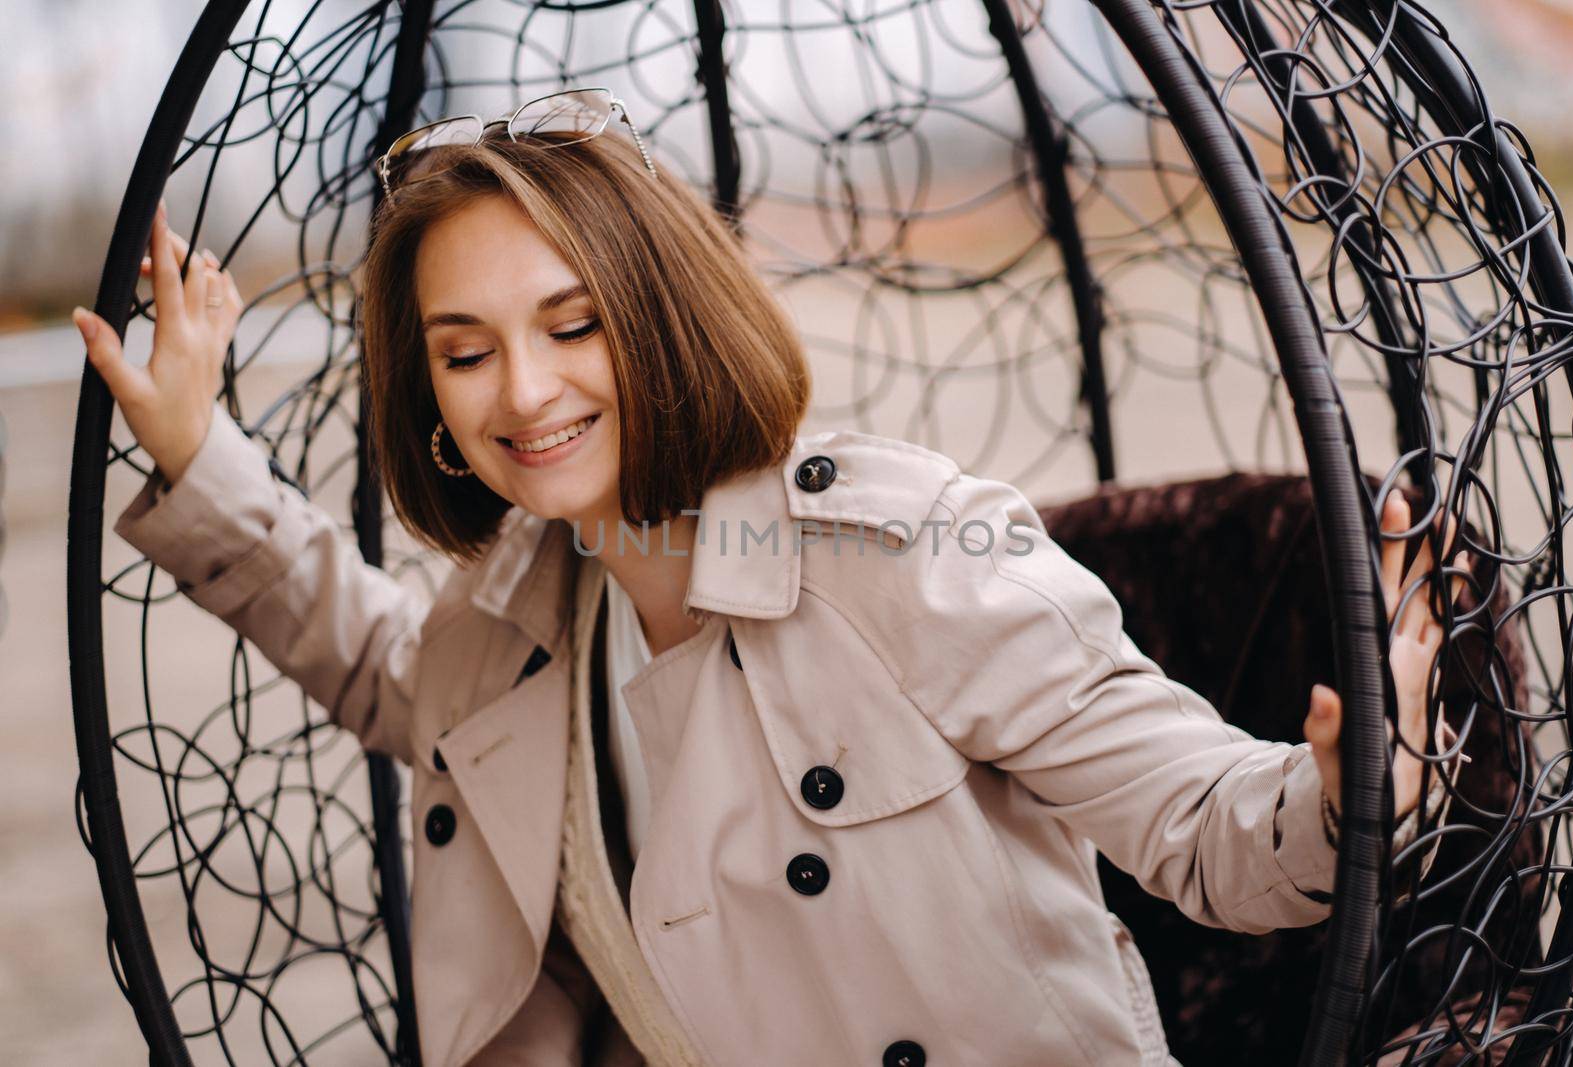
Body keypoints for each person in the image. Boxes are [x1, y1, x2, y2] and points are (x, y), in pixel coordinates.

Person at [74, 89, 1470, 1067]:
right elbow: (389, 669)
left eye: (574, 323)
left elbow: (1209, 831)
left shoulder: (894, 556)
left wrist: (1354, 786)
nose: (526, 390)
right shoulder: (512, 620)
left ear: (665, 320)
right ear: (427, 391)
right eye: (464, 348)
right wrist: (201, 457)